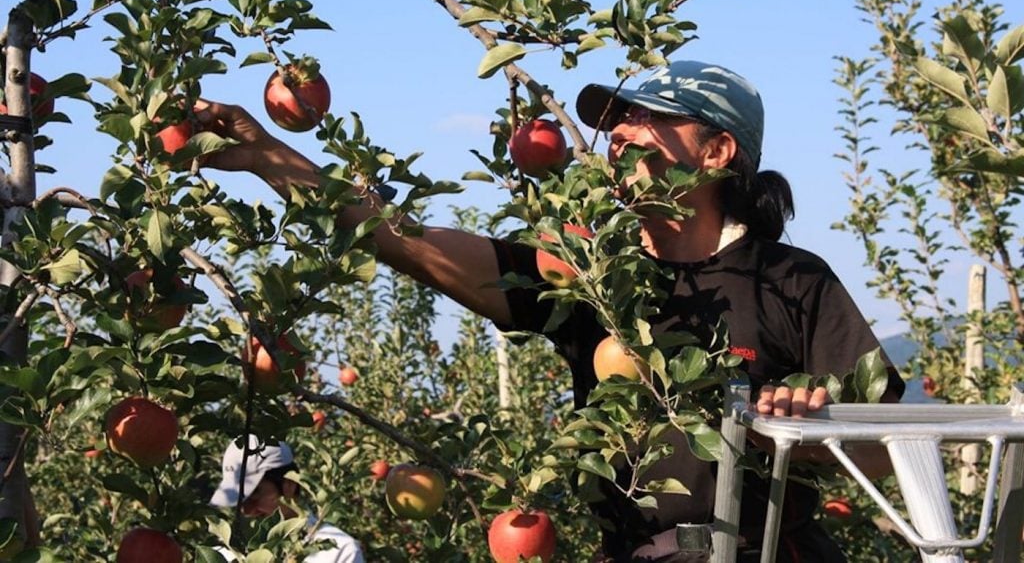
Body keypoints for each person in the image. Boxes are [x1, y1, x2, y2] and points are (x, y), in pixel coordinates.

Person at [195, 59, 904, 562]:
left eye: (649, 118)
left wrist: (814, 428)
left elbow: (892, 451)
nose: (619, 132)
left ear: (717, 151)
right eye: (617, 120)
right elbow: (410, 245)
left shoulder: (792, 282)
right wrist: (266, 154)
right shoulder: (590, 279)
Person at [209, 435, 365, 563]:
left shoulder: (337, 553)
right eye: (237, 499)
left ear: (289, 485)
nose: (246, 510)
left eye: (254, 494)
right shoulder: (225, 554)